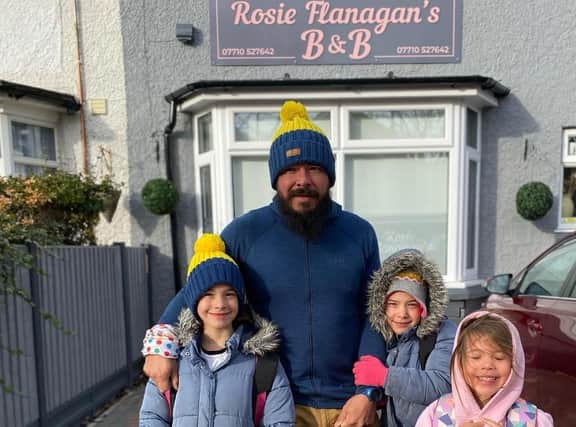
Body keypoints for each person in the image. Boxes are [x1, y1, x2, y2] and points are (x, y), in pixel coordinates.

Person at [142, 100, 386, 427]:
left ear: (329, 175)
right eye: (290, 170)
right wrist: (161, 344)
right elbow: (199, 289)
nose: (303, 180)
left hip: (349, 404)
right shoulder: (245, 234)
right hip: (272, 401)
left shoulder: (359, 234)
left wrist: (367, 392)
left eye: (314, 168)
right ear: (275, 177)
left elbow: (375, 316)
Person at [138, 233, 295, 426]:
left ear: (240, 299)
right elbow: (152, 417)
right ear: (193, 300)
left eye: (229, 294)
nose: (219, 304)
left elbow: (280, 422)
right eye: (208, 294)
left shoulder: (264, 364)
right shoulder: (173, 358)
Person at [352, 248, 456, 427]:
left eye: (412, 305)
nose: (402, 314)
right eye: (393, 304)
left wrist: (385, 376)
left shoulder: (443, 333)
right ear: (381, 305)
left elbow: (441, 385)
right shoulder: (384, 336)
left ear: (424, 307)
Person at [415, 311, 554, 427]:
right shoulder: (435, 414)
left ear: (515, 362)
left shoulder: (533, 420)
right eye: (476, 357)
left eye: (499, 357)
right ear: (459, 363)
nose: (487, 365)